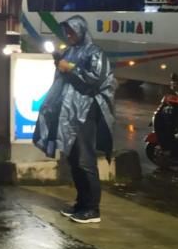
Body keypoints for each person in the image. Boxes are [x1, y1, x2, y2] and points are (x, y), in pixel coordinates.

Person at [33, 15, 116, 224]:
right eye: (66, 32)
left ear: (81, 30)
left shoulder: (94, 52)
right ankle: (82, 203)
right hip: (70, 113)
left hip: (85, 112)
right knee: (73, 158)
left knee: (84, 159)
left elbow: (94, 81)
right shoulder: (71, 51)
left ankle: (92, 208)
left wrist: (69, 68)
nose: (69, 35)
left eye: (71, 31)